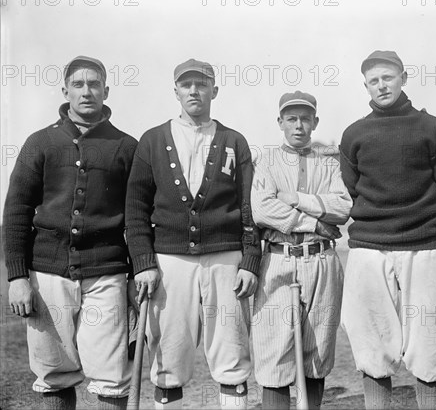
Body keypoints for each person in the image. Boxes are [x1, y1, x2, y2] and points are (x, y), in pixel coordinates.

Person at [125, 59, 261, 410]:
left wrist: (249, 259)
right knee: (169, 357)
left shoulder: (234, 141)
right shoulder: (153, 140)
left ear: (214, 90)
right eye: (186, 85)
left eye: (202, 84)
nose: (194, 91)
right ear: (176, 91)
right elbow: (136, 209)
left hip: (225, 258)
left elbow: (249, 208)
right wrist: (143, 263)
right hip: (169, 262)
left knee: (231, 353)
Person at [3, 55, 137, 409]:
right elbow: (16, 211)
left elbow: (137, 219)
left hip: (107, 272)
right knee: (54, 371)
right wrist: (17, 276)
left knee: (111, 374)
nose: (86, 91)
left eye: (94, 84)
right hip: (47, 271)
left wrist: (138, 273)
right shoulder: (40, 143)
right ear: (64, 90)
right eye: (78, 84)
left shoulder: (126, 147)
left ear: (106, 91)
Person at [339, 50, 436, 409]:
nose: (381, 86)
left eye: (388, 77)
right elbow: (352, 187)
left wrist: (424, 224)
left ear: (403, 78)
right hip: (369, 248)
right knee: (372, 343)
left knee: (430, 343)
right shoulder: (354, 133)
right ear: (366, 86)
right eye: (374, 81)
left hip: (425, 247)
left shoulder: (431, 127)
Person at [251, 91, 352, 409]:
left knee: (317, 350)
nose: (299, 125)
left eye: (305, 119)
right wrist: (313, 222)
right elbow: (262, 210)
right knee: (274, 352)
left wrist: (295, 199)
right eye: (291, 119)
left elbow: (342, 208)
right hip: (280, 259)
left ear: (315, 122)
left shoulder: (328, 163)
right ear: (280, 122)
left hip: (321, 259)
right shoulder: (266, 161)